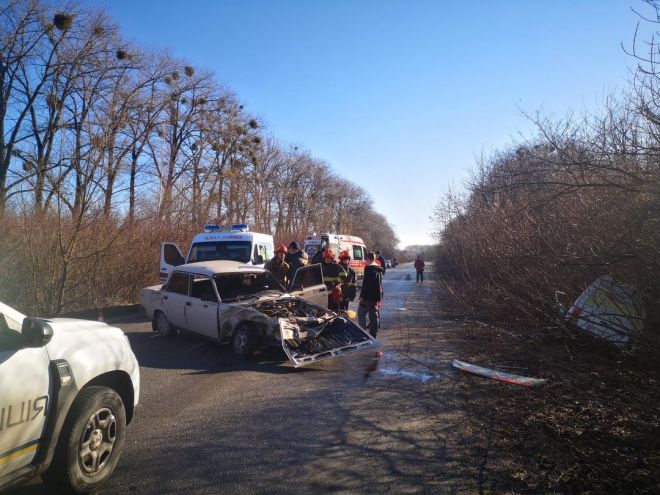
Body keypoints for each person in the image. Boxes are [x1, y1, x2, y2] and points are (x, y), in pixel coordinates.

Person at [358, 252, 384, 337]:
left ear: (368, 259)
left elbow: (366, 284)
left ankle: (363, 334)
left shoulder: (368, 268)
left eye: (366, 259)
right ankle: (373, 334)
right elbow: (380, 284)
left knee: (361, 314)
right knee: (374, 316)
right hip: (375, 297)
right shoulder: (378, 269)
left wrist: (362, 296)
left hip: (367, 297)